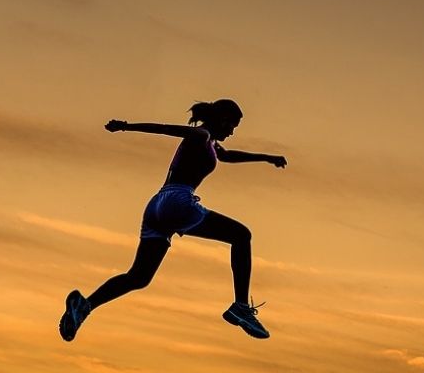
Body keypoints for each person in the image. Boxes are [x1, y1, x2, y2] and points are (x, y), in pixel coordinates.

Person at [59, 99, 287, 342]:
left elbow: (228, 156)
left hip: (157, 206)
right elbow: (167, 129)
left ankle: (85, 306)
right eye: (233, 125)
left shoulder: (210, 142)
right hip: (177, 200)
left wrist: (266, 157)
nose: (232, 132)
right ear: (222, 119)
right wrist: (126, 126)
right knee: (241, 235)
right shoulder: (201, 134)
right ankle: (240, 306)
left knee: (139, 277)